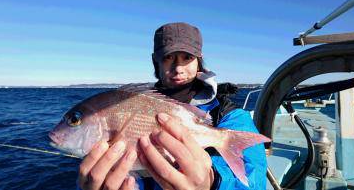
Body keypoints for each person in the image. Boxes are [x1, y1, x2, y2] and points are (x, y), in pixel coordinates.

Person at [78, 22, 267, 190]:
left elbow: (255, 182)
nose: (178, 68)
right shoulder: (135, 100)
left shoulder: (229, 116)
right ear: (156, 61)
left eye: (187, 58)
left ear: (199, 60)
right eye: (169, 57)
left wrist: (213, 182)